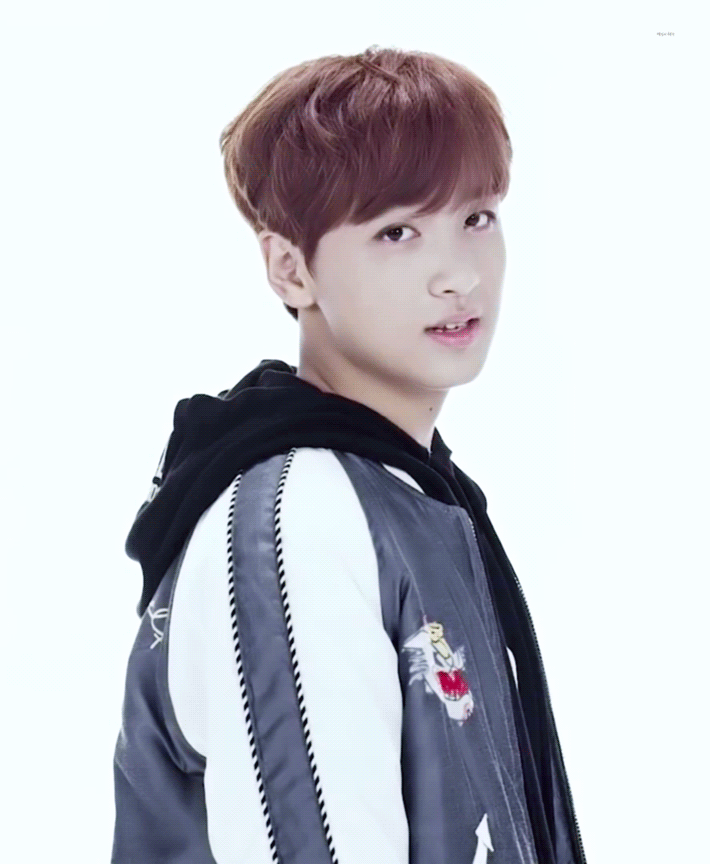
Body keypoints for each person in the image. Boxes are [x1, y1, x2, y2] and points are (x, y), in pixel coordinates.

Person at [111, 45, 587, 864]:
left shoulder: (409, 494)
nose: (458, 276)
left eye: (477, 218)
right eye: (398, 231)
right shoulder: (302, 520)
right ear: (290, 268)